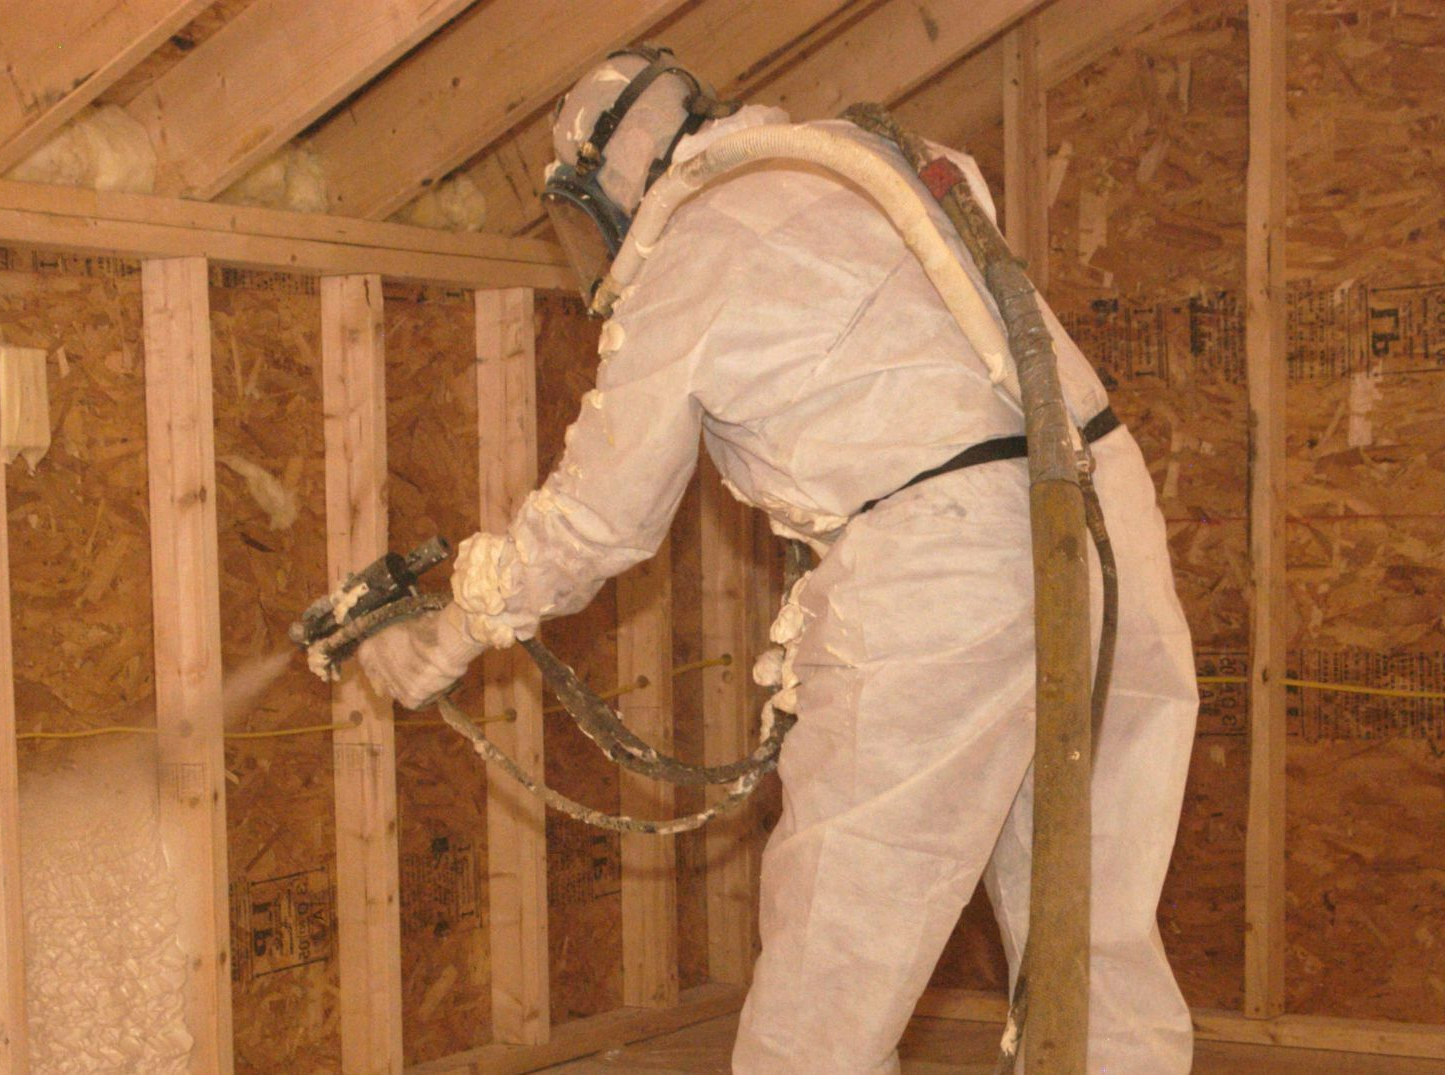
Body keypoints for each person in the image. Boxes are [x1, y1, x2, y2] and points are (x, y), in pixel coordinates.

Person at [356, 45, 1198, 1075]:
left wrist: (450, 632)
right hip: (1099, 511)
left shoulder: (696, 247)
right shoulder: (878, 157)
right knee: (1092, 931)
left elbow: (599, 518)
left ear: (614, 183)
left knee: (828, 982)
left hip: (938, 566)